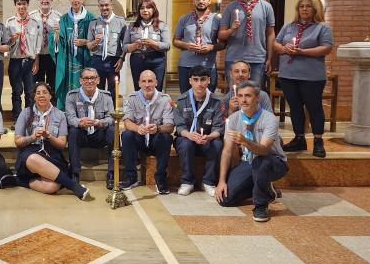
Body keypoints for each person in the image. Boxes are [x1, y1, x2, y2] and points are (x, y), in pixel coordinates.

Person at [215, 81, 288, 222]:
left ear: (257, 98)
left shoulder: (269, 118)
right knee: (225, 200)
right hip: (248, 161)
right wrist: (221, 181)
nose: (243, 100)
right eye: (240, 96)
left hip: (273, 161)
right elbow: (227, 152)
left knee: (261, 162)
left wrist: (245, 142)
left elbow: (264, 150)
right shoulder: (234, 119)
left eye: (248, 96)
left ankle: (261, 205)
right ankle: (265, 188)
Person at [273, 0, 333, 158]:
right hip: (288, 75)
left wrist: (302, 52)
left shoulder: (322, 27)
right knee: (295, 108)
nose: (304, 9)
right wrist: (284, 49)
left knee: (314, 108)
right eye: (301, 6)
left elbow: (327, 48)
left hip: (312, 76)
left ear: (315, 9)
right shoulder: (289, 26)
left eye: (308, 6)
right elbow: (276, 43)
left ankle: (318, 141)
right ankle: (299, 138)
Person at [13, 82, 90, 200]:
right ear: (34, 96)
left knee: (52, 187)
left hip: (52, 154)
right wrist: (32, 137)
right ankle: (74, 186)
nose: (41, 95)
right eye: (38, 93)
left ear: (50, 96)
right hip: (30, 153)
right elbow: (18, 141)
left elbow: (62, 144)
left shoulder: (60, 115)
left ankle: (19, 181)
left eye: (45, 92)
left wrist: (49, 136)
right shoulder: (25, 113)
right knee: (33, 158)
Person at [173, 66, 225, 197]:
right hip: (187, 138)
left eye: (203, 79)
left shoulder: (217, 102)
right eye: (195, 80)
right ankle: (187, 182)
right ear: (190, 81)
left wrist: (209, 137)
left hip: (207, 139)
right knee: (185, 144)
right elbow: (179, 127)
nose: (199, 83)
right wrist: (189, 135)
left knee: (217, 144)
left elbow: (219, 128)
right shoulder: (180, 100)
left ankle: (208, 181)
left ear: (209, 80)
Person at [218, 0, 276, 87]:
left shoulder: (266, 7)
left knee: (255, 97)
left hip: (258, 59)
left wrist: (270, 58)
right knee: (235, 96)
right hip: (234, 58)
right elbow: (221, 35)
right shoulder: (230, 7)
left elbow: (270, 34)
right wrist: (232, 30)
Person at [121, 70, 174, 193]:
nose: (147, 85)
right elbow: (127, 122)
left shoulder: (165, 99)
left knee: (166, 137)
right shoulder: (131, 98)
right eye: (144, 81)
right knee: (126, 135)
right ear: (139, 83)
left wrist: (158, 128)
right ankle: (131, 177)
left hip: (156, 139)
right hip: (139, 138)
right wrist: (138, 128)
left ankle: (160, 178)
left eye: (150, 81)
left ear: (156, 82)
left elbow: (170, 126)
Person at [64, 68, 115, 188]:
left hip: (99, 134)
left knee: (113, 130)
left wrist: (99, 122)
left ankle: (112, 173)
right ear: (80, 81)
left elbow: (111, 118)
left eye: (92, 78)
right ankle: (75, 173)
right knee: (73, 131)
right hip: (82, 135)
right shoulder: (72, 96)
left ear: (98, 80)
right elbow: (70, 118)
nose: (89, 81)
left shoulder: (106, 96)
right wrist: (79, 122)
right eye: (86, 78)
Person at [51, 0, 94, 109]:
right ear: (69, 0)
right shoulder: (63, 19)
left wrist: (85, 42)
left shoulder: (91, 18)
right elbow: (57, 44)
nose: (76, 0)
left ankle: (85, 111)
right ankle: (67, 114)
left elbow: (96, 41)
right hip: (68, 60)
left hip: (84, 60)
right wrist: (57, 35)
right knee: (67, 87)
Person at [173, 0, 222, 94]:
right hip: (186, 66)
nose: (201, 1)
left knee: (209, 100)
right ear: (193, 0)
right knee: (186, 99)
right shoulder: (184, 19)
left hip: (208, 65)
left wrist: (211, 47)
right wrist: (187, 46)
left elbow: (223, 43)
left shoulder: (217, 20)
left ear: (209, 1)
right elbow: (175, 41)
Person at [6, 0, 42, 122]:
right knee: (16, 92)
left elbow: (38, 44)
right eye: (19, 4)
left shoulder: (35, 22)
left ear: (27, 5)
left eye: (24, 4)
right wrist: (12, 39)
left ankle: (29, 118)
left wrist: (36, 62)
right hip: (15, 61)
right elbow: (6, 44)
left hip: (29, 61)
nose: (21, 7)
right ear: (15, 5)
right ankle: (17, 119)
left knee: (29, 92)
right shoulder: (9, 23)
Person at [124, 0, 171, 92]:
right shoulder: (132, 26)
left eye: (148, 8)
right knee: (139, 89)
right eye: (142, 8)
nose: (145, 10)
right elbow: (124, 46)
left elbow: (167, 45)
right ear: (139, 11)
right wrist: (134, 45)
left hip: (156, 60)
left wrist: (153, 43)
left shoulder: (162, 25)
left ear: (153, 10)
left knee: (156, 89)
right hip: (137, 60)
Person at [86, 0, 126, 100]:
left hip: (114, 61)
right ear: (99, 7)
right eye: (101, 5)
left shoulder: (121, 22)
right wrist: (96, 41)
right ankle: (99, 114)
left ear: (111, 6)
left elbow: (125, 44)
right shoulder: (93, 23)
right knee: (98, 90)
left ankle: (112, 115)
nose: (104, 8)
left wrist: (122, 59)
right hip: (97, 60)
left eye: (106, 5)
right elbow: (89, 45)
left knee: (113, 90)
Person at [29, 0, 61, 94]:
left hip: (52, 56)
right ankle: (37, 108)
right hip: (36, 57)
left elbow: (62, 39)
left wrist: (59, 33)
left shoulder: (59, 17)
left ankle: (52, 107)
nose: (44, 0)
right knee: (37, 85)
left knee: (52, 85)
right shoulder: (31, 17)